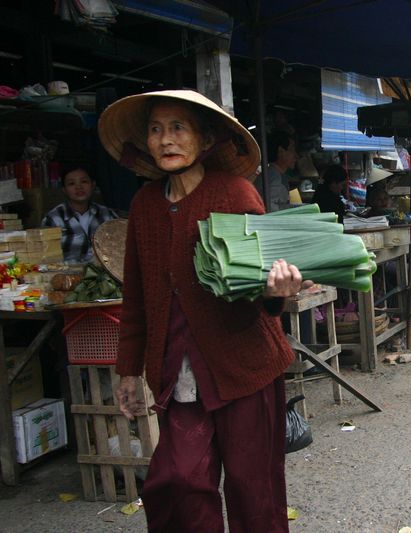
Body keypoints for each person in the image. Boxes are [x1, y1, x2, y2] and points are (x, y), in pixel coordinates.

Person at [98, 90, 306, 531]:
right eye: (155, 130)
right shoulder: (145, 205)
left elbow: (262, 286)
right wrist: (128, 371)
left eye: (178, 128)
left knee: (255, 491)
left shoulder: (235, 194)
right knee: (178, 482)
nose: (165, 140)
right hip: (179, 374)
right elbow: (136, 295)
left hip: (244, 367)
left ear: (204, 138)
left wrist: (278, 292)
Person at [41, 167, 117, 263]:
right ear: (64, 190)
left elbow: (120, 247)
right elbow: (45, 256)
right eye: (71, 183)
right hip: (66, 275)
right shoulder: (54, 219)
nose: (79, 187)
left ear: (93, 185)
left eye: (84, 181)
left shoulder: (107, 215)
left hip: (104, 276)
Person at [257, 129, 297, 212]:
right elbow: (270, 208)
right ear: (281, 151)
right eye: (292, 150)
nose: (296, 155)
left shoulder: (275, 174)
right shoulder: (273, 176)